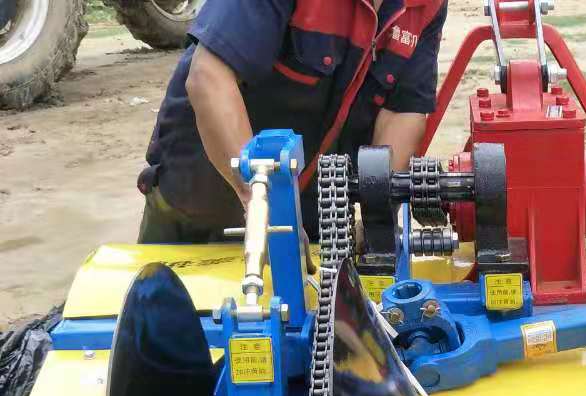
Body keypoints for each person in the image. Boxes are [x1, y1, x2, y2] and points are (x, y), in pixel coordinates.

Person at [137, 0, 448, 243]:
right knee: (165, 300)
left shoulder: (426, 5)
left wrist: (376, 216)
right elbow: (209, 76)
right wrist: (263, 206)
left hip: (309, 210)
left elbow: (402, 112)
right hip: (203, 195)